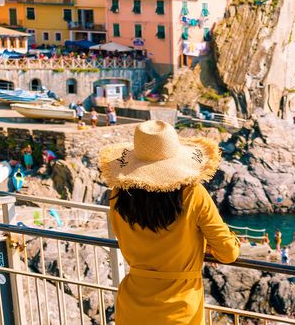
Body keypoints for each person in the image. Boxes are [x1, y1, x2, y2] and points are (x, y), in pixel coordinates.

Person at [101, 120, 239, 325]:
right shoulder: (192, 194)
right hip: (180, 309)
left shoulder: (120, 194)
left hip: (133, 306)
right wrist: (204, 246)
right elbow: (228, 252)